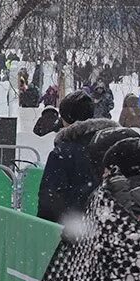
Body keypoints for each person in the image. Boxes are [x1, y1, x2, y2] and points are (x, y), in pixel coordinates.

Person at [37, 90, 117, 224]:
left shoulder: (63, 152)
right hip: (110, 226)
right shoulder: (113, 144)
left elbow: (50, 200)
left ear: (65, 119)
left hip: (75, 229)